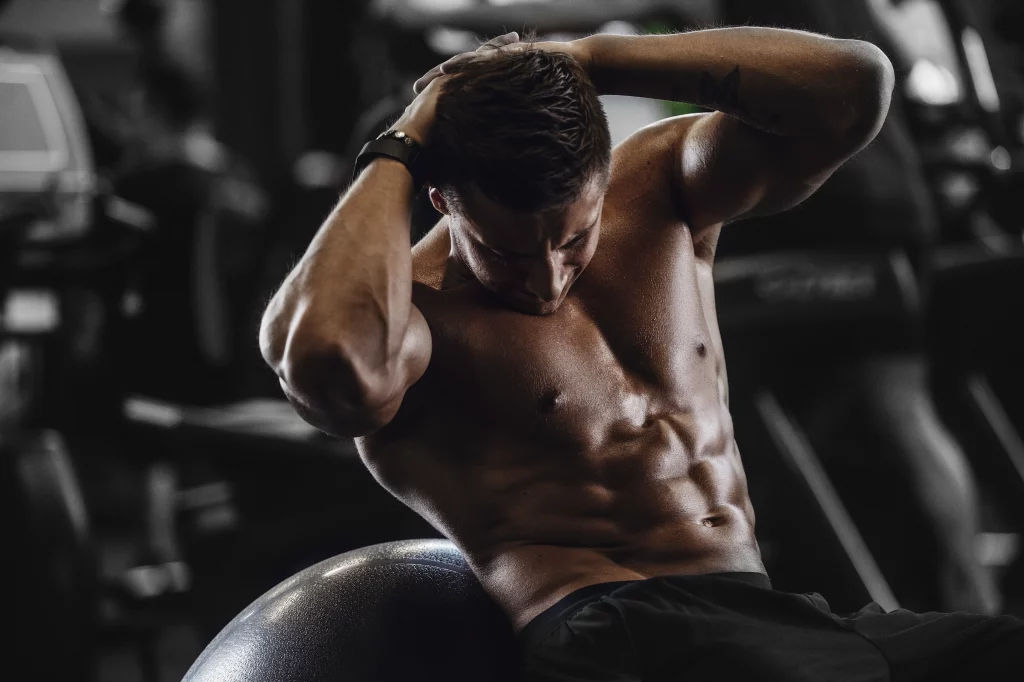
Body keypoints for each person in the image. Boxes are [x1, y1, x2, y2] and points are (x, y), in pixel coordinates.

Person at [260, 28, 1024, 681]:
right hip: (620, 631)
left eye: (572, 239)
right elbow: (328, 360)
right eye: (507, 252)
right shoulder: (415, 315)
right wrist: (402, 143)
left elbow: (854, 86)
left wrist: (586, 57)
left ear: (601, 178)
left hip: (770, 619)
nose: (547, 278)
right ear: (442, 200)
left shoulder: (657, 186)